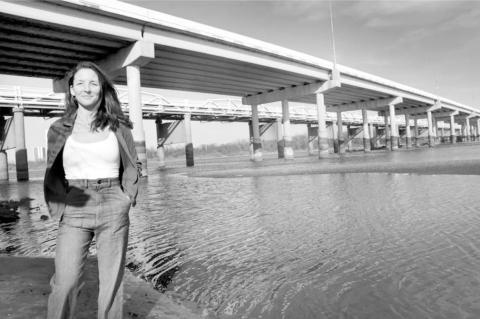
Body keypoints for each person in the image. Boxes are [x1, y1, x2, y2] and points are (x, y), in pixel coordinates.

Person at [44, 61, 141, 319]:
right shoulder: (57, 128)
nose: (87, 88)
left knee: (111, 284)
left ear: (101, 89)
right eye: (80, 83)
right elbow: (52, 169)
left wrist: (127, 195)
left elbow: (133, 161)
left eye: (93, 83)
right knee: (65, 283)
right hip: (75, 203)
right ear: (72, 91)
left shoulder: (119, 125)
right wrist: (58, 204)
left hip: (113, 202)